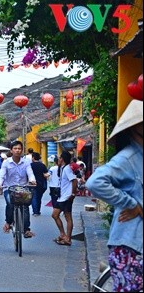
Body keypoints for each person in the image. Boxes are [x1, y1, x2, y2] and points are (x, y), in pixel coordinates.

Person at [86, 99, 143, 292]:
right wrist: (131, 204)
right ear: (136, 128)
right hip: (131, 247)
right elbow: (95, 183)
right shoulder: (128, 158)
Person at [0, 140, 36, 238]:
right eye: (15, 148)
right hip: (9, 188)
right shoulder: (6, 163)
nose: (17, 150)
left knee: (25, 207)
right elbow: (1, 175)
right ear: (11, 150)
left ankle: (26, 230)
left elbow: (30, 173)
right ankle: (8, 222)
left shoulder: (26, 162)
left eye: (19, 149)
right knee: (10, 203)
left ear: (22, 150)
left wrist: (32, 180)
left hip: (23, 189)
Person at [51, 150, 78, 246]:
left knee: (67, 217)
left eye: (59, 157)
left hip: (66, 197)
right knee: (55, 215)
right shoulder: (62, 168)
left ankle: (68, 238)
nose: (58, 159)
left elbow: (74, 180)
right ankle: (63, 234)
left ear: (62, 159)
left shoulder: (67, 169)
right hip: (62, 197)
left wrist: (73, 193)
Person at [30, 152, 49, 216]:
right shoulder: (42, 165)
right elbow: (46, 174)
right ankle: (38, 210)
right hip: (41, 184)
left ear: (33, 158)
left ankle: (35, 211)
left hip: (32, 183)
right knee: (39, 197)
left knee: (34, 197)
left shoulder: (31, 165)